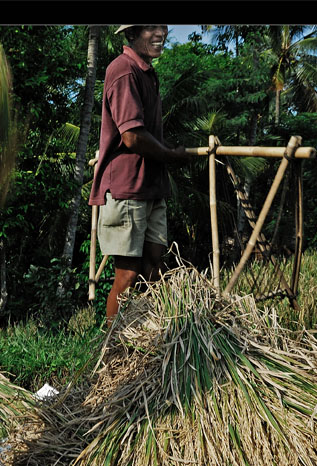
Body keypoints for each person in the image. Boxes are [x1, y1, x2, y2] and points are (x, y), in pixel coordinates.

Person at [88, 25, 192, 321]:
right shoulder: (123, 71)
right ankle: (113, 346)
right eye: (151, 28)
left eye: (163, 27)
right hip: (127, 186)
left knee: (154, 268)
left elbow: (147, 133)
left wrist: (170, 151)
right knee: (128, 274)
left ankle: (151, 341)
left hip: (151, 185)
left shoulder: (147, 73)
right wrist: (171, 155)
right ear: (132, 34)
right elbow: (132, 136)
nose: (160, 33)